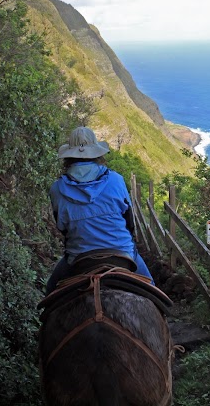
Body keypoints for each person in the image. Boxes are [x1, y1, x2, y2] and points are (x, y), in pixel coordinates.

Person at [46, 126, 154, 294]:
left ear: (68, 157)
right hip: (122, 253)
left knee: (50, 292)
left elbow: (62, 228)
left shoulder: (57, 189)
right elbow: (129, 222)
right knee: (153, 292)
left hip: (79, 257)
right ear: (97, 154)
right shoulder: (116, 180)